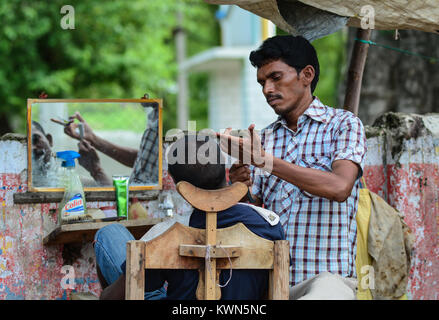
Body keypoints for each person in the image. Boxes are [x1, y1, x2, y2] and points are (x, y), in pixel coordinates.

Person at [217, 35, 367, 299]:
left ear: (306, 75)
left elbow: (340, 187)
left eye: (276, 77)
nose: (267, 89)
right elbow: (257, 216)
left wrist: (265, 161)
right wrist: (240, 186)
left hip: (327, 280)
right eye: (262, 82)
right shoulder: (265, 139)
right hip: (272, 281)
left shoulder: (343, 124)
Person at [93, 134, 286, 300]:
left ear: (179, 184)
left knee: (110, 233)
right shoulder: (269, 223)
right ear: (223, 171)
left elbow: (121, 294)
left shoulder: (164, 235)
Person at [63, 99, 159, 186]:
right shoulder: (156, 116)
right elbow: (144, 161)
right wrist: (93, 139)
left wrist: (96, 170)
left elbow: (126, 201)